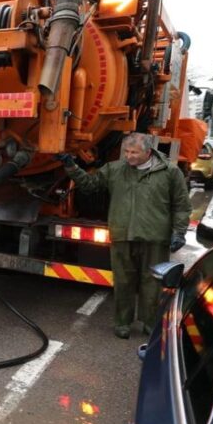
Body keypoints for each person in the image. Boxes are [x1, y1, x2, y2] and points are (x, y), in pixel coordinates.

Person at [56, 133, 191, 339]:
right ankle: (122, 323)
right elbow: (90, 185)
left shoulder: (170, 172)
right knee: (123, 281)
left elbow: (181, 205)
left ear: (148, 152)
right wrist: (71, 167)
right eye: (126, 152)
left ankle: (149, 321)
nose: (129, 156)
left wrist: (179, 232)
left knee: (152, 282)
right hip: (122, 235)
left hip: (155, 236)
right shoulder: (115, 169)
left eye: (134, 152)